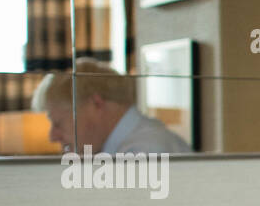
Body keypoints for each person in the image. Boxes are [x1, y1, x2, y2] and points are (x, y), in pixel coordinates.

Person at [32, 58, 193, 155]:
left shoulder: (145, 151)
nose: (52, 136)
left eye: (58, 123)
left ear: (96, 104)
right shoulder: (128, 146)